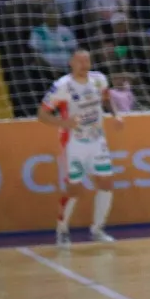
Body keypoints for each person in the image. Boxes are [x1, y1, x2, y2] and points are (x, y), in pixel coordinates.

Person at [36, 48, 123, 247]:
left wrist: (116, 115)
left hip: (97, 140)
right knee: (74, 189)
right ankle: (62, 229)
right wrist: (64, 123)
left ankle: (97, 229)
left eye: (87, 62)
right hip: (73, 143)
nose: (84, 66)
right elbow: (42, 114)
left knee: (106, 183)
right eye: (80, 62)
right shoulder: (62, 86)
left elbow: (107, 98)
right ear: (71, 63)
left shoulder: (99, 79)